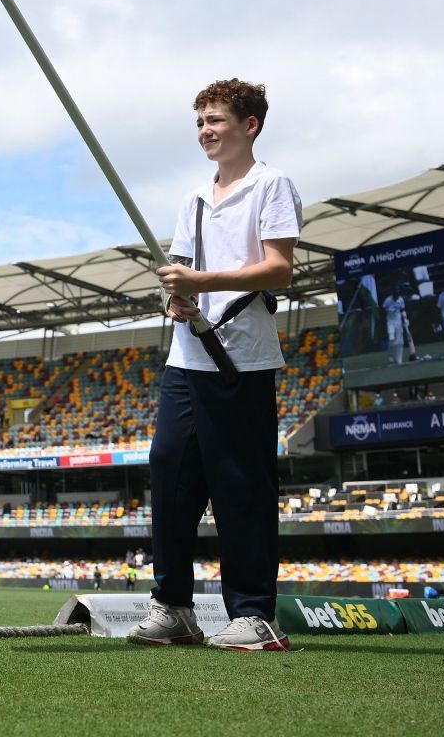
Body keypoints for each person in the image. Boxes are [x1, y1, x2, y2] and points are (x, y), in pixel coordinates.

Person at [133, 79, 299, 652]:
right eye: (200, 121)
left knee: (240, 486)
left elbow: (279, 269)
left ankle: (254, 614)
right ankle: (174, 607)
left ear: (249, 125)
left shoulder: (270, 185)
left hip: (243, 361)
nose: (206, 130)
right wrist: (176, 300)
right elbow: (181, 272)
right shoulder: (193, 200)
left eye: (217, 120)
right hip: (186, 361)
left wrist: (203, 283)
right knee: (170, 476)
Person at [383, 285, 416, 365]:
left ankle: (399, 359)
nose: (396, 297)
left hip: (398, 322)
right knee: (391, 338)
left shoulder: (400, 299)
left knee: (399, 342)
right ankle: (391, 356)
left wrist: (405, 319)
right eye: (395, 296)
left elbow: (402, 309)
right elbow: (383, 308)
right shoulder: (387, 300)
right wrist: (389, 311)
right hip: (390, 322)